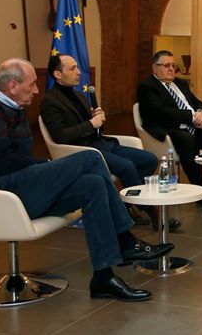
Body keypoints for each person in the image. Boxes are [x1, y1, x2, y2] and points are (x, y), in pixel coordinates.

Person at [0, 59, 173, 302]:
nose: (36, 90)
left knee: (94, 184)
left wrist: (48, 170)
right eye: (32, 84)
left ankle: (103, 277)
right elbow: (3, 162)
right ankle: (126, 241)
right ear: (13, 86)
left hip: (17, 187)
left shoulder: (14, 107)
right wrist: (48, 168)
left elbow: (19, 159)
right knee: (90, 157)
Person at [41, 54, 180, 232]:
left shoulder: (79, 95)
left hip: (101, 143)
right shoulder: (50, 101)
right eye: (72, 68)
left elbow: (95, 128)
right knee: (126, 166)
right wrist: (91, 123)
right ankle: (152, 212)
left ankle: (126, 204)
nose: (79, 72)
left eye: (77, 67)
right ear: (57, 74)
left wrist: (98, 119)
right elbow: (60, 136)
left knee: (149, 159)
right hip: (83, 151)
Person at [137, 50, 202, 207]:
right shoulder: (147, 87)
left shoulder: (180, 83)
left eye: (173, 65)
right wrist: (192, 117)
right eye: (166, 65)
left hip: (194, 126)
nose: (171, 69)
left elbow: (197, 102)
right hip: (170, 129)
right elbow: (161, 111)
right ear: (154, 68)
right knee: (187, 139)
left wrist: (201, 112)